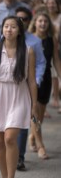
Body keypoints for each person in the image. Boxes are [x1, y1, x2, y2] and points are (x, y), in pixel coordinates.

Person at [0, 16, 38, 178]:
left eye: (13, 27)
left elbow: (32, 81)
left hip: (19, 96)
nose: (9, 30)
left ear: (19, 31)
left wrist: (34, 106)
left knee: (10, 138)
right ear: (2, 29)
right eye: (6, 26)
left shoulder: (28, 51)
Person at [15, 6, 46, 170]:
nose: (20, 22)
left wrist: (37, 80)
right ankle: (11, 153)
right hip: (8, 88)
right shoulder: (5, 37)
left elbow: (41, 63)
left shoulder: (34, 41)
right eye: (17, 18)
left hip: (27, 86)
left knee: (22, 122)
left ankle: (19, 157)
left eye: (24, 19)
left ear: (29, 21)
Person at [28, 12, 61, 160]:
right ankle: (41, 145)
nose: (42, 24)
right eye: (40, 21)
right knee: (35, 114)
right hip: (31, 79)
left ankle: (33, 136)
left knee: (39, 116)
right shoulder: (29, 39)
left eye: (45, 22)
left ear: (48, 25)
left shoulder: (51, 39)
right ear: (35, 23)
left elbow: (56, 60)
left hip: (46, 78)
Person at [45, 0, 61, 111]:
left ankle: (56, 98)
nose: (51, 5)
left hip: (59, 48)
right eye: (49, 3)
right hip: (49, 49)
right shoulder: (44, 18)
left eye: (53, 3)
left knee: (56, 75)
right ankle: (53, 98)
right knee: (53, 74)